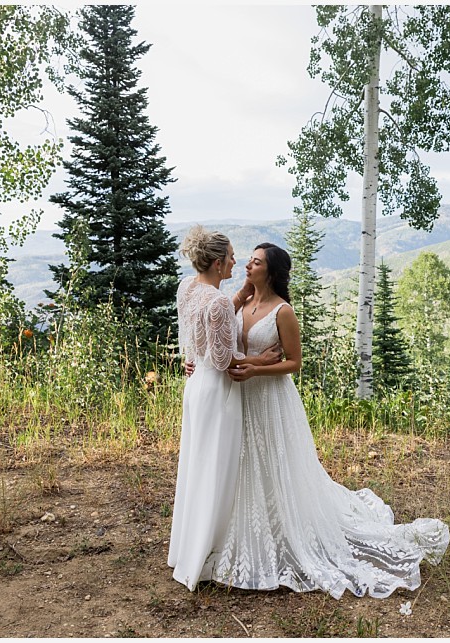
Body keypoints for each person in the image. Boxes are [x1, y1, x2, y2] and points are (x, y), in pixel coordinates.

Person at [206, 242, 450, 599]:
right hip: (244, 395)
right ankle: (253, 527)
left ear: (270, 271)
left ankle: (290, 528)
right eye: (248, 259)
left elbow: (293, 363)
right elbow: (224, 340)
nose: (247, 264)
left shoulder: (283, 311)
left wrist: (258, 370)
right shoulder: (242, 302)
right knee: (248, 462)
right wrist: (236, 362)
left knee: (278, 461)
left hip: (272, 396)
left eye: (255, 262)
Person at [168, 226, 280, 590]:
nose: (237, 261)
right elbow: (224, 361)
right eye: (232, 256)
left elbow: (198, 331)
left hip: (196, 386)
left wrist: (237, 297)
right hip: (218, 391)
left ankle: (189, 549)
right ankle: (211, 548)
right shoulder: (216, 300)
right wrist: (259, 358)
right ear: (218, 264)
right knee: (218, 467)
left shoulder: (188, 286)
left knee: (197, 464)